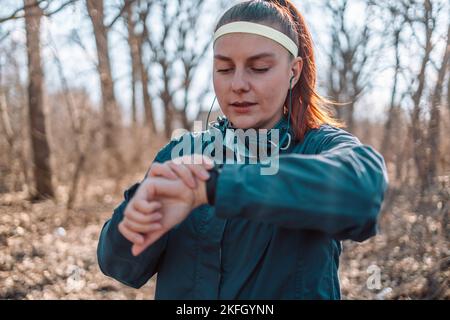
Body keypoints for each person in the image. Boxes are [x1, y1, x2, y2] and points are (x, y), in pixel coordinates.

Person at [97, 0, 388, 300]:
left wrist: (216, 187)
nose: (237, 84)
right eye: (224, 68)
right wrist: (135, 218)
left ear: (294, 71)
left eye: (259, 68)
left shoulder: (318, 147)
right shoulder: (182, 154)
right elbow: (119, 266)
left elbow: (363, 194)